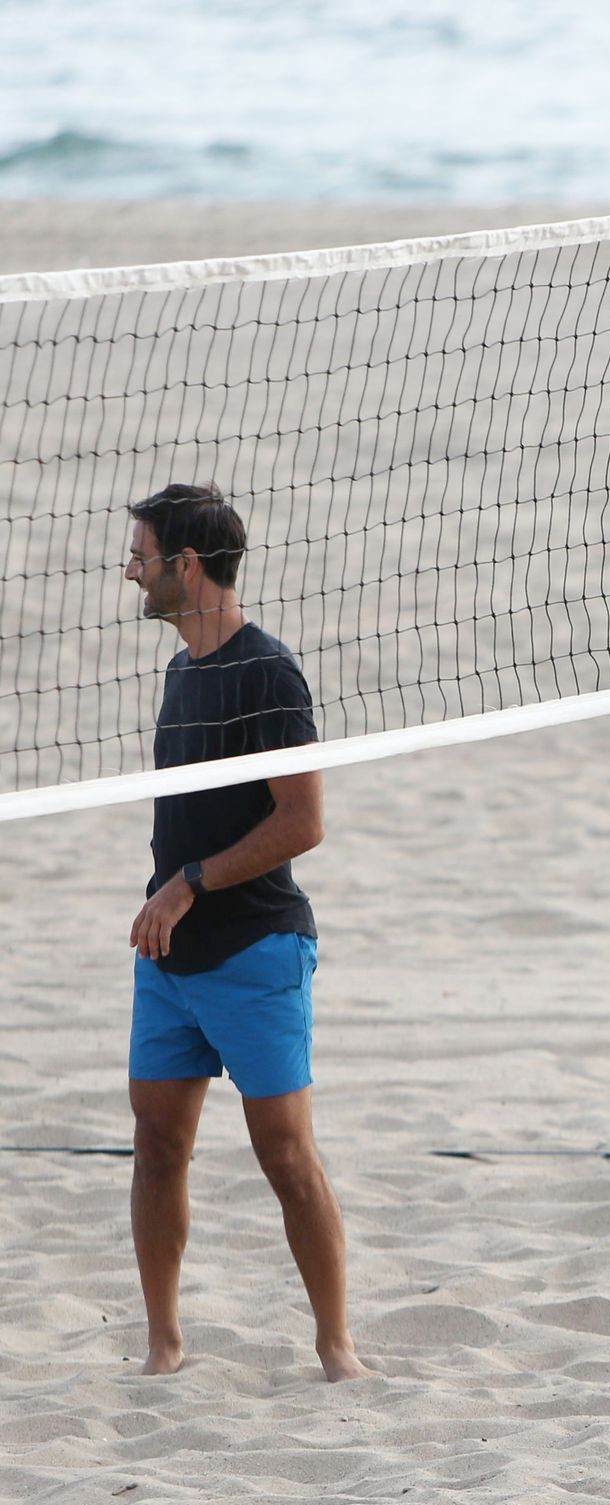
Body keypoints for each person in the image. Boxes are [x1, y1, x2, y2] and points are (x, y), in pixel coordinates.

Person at [123, 483, 368, 1381]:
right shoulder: (181, 671)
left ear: (187, 566)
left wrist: (189, 883)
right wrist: (171, 895)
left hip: (256, 950)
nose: (131, 571)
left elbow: (303, 822)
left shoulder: (269, 673)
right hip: (169, 957)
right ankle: (163, 1348)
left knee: (285, 1154)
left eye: (142, 556)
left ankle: (337, 1348)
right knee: (157, 1147)